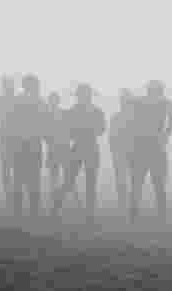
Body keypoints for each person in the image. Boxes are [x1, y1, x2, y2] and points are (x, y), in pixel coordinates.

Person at [52, 83, 107, 221]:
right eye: (82, 95)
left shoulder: (93, 111)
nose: (83, 98)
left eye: (84, 95)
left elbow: (101, 129)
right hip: (80, 148)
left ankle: (89, 214)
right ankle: (57, 205)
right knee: (70, 181)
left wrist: (84, 129)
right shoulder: (75, 111)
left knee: (90, 183)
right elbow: (68, 131)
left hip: (88, 148)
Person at [127, 80, 172, 223]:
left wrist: (166, 133)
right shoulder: (164, 103)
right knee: (152, 183)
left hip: (147, 146)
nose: (154, 92)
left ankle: (136, 215)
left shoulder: (157, 103)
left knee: (147, 183)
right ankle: (155, 215)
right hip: (148, 146)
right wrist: (166, 133)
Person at [10, 74, 49, 217]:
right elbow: (46, 122)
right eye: (36, 85)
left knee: (20, 178)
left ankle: (19, 212)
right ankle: (33, 211)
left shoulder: (18, 101)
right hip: (31, 144)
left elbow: (11, 122)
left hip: (22, 144)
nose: (38, 87)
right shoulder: (39, 102)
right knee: (33, 178)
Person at [109, 89, 135, 211]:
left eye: (125, 101)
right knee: (122, 179)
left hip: (130, 152)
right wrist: (114, 151)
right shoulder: (116, 118)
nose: (123, 103)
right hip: (120, 153)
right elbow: (111, 137)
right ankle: (123, 203)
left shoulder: (135, 119)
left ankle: (128, 203)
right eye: (122, 101)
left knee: (130, 179)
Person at [45, 92, 71, 193]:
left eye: (54, 100)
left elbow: (69, 130)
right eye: (52, 100)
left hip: (62, 146)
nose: (53, 102)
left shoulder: (63, 114)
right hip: (55, 147)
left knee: (64, 174)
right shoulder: (47, 115)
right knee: (54, 175)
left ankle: (60, 195)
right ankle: (56, 195)